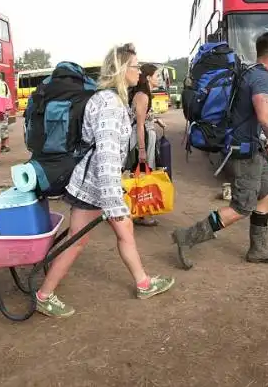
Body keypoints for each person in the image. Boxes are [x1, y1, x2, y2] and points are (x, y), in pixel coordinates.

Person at [35, 43, 175, 318]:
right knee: (78, 240)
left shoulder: (107, 99)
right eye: (136, 67)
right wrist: (114, 201)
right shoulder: (110, 104)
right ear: (123, 70)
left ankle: (143, 282)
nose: (140, 73)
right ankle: (44, 294)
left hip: (96, 185)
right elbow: (107, 155)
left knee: (119, 234)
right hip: (94, 187)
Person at [171, 31, 268, 267]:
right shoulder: (262, 78)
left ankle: (258, 249)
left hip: (249, 148)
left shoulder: (250, 72)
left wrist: (267, 143)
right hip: (243, 153)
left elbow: (244, 115)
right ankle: (187, 237)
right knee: (241, 207)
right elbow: (266, 117)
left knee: (267, 188)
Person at [127, 63, 166, 227]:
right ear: (149, 78)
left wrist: (156, 120)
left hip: (142, 137)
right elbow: (140, 124)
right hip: (141, 139)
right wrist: (142, 150)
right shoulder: (143, 96)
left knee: (140, 175)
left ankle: (137, 211)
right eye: (157, 76)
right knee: (143, 174)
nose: (159, 79)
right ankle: (141, 214)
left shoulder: (143, 94)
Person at [0, 71, 12, 153]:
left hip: (3, 109)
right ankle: (4, 145)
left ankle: (6, 145)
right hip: (5, 109)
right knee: (3, 127)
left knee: (3, 127)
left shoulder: (1, 85)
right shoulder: (4, 84)